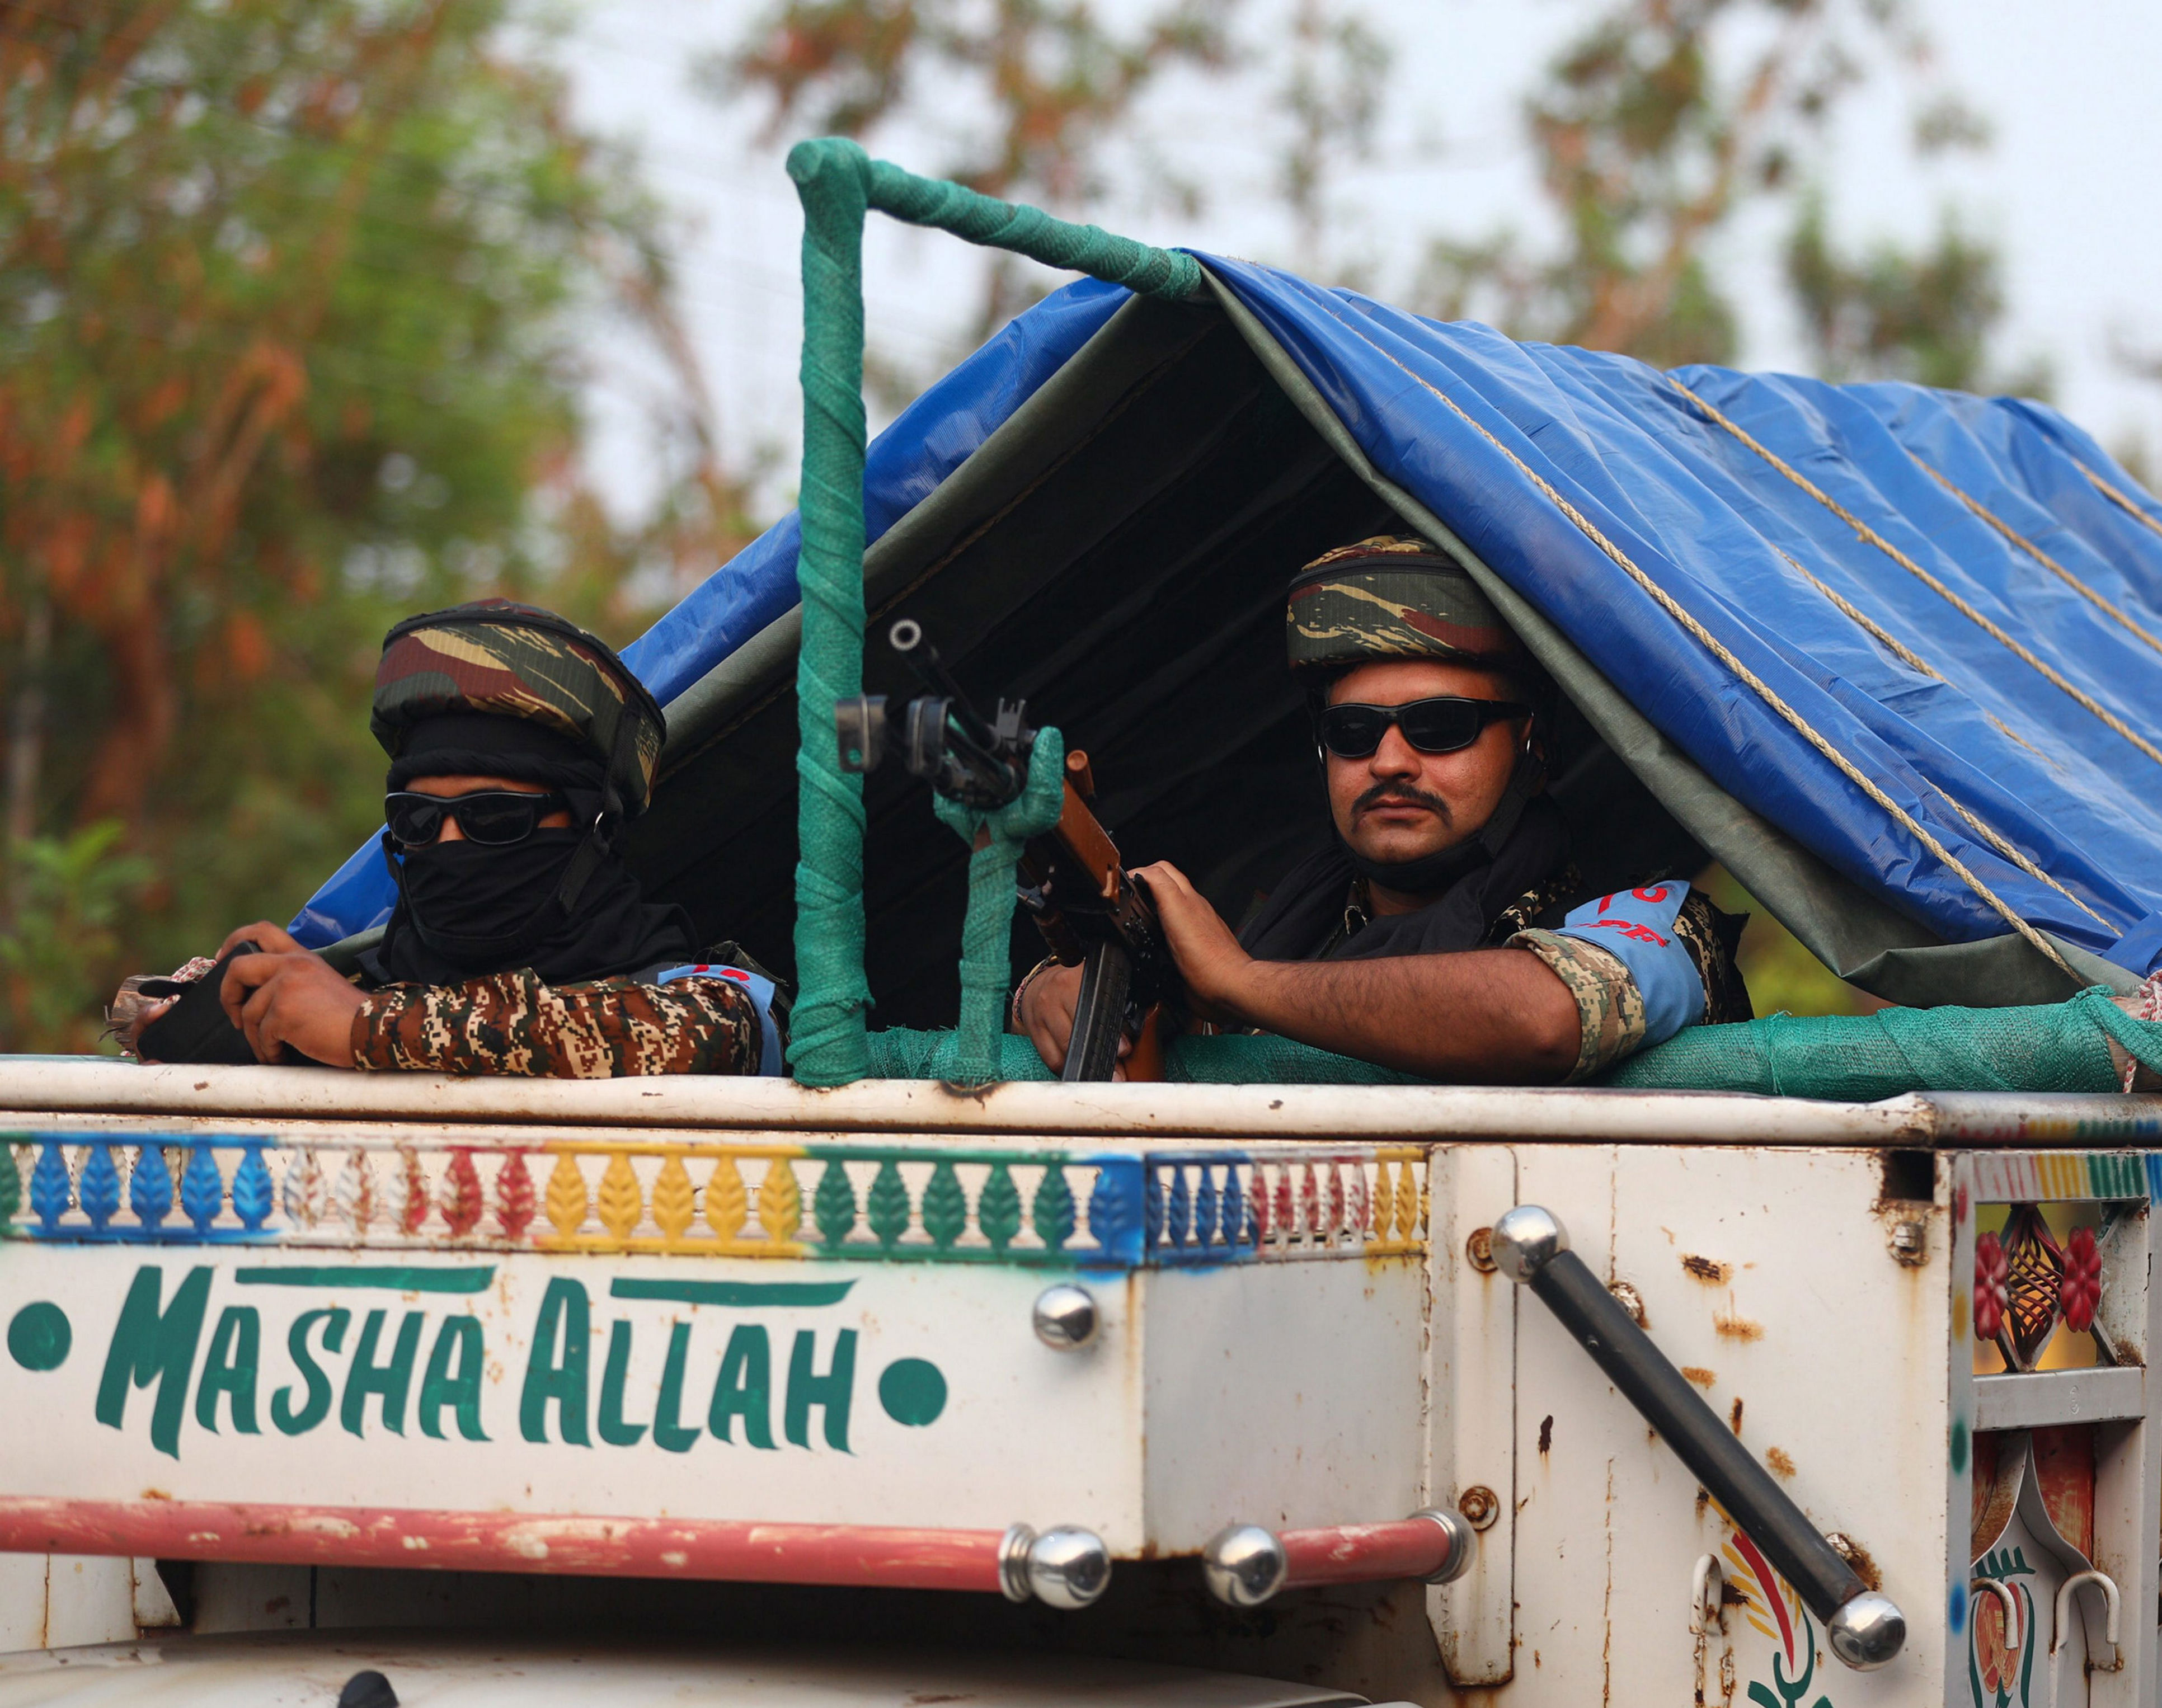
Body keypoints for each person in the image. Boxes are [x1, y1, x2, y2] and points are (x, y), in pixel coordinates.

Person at [1012, 535, 1750, 1082]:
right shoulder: (1263, 923)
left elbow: (1544, 1016)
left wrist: (1245, 985)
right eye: (1354, 732)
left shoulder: (1653, 920)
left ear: (1531, 743)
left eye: (1440, 727)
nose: (1390, 761)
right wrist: (1049, 994)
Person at [114, 600, 781, 1078]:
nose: (450, 844)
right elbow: (142, 1013)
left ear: (592, 832)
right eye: (418, 821)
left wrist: (362, 1027)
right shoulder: (348, 989)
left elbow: (703, 1034)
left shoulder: (697, 1003)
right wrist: (218, 1010)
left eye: (493, 819)